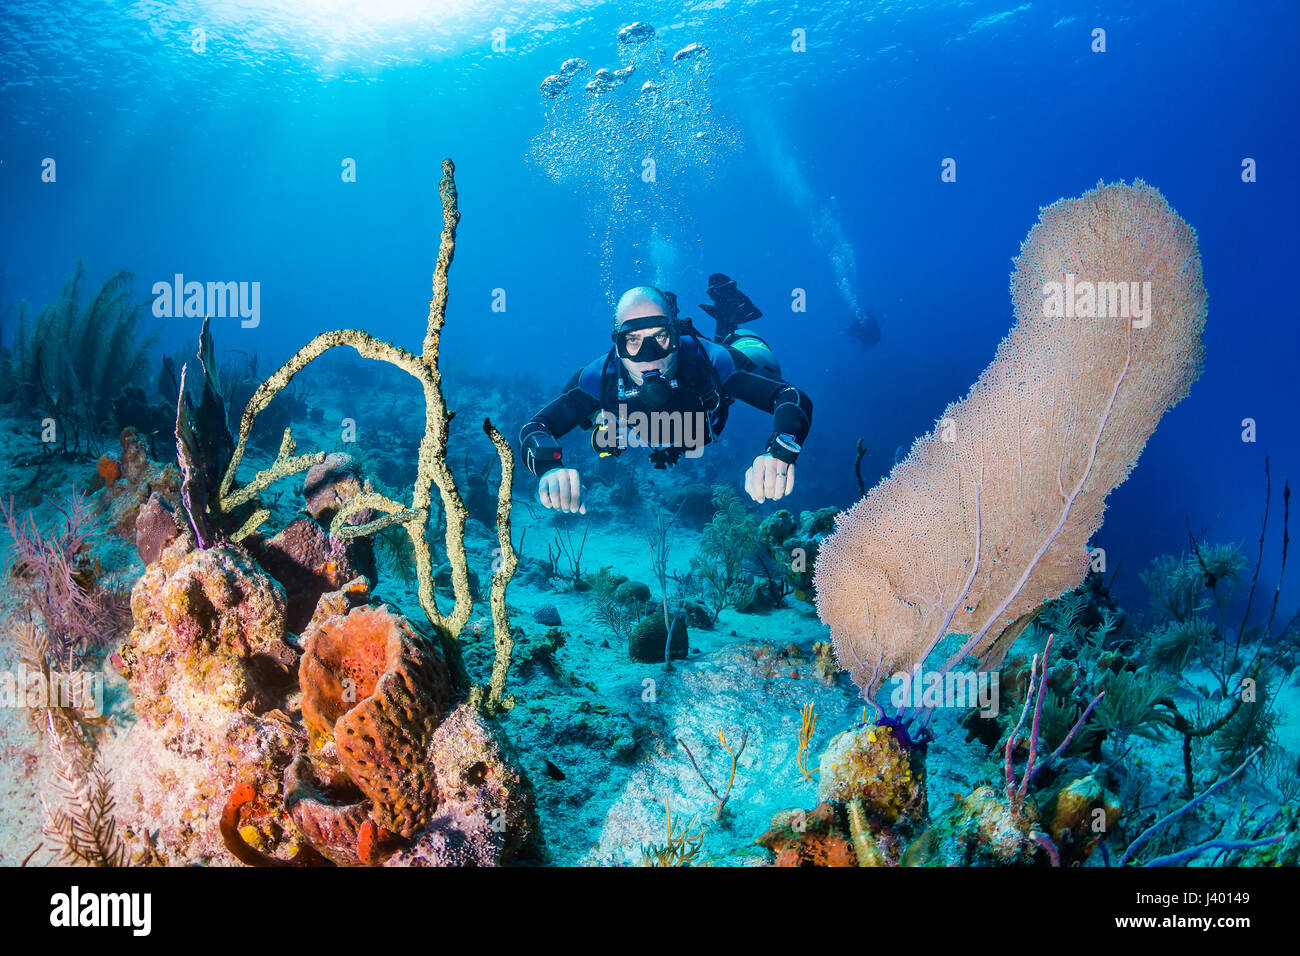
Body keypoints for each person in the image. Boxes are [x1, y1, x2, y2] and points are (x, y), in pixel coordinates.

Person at [519, 274, 813, 513]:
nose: (648, 356)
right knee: (602, 430)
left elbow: (790, 395)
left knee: (765, 364)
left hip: (708, 408)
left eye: (660, 336)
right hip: (649, 430)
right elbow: (537, 427)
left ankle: (729, 319)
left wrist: (780, 449)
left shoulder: (709, 361)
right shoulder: (599, 377)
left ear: (675, 334)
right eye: (632, 340)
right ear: (617, 344)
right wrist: (549, 467)